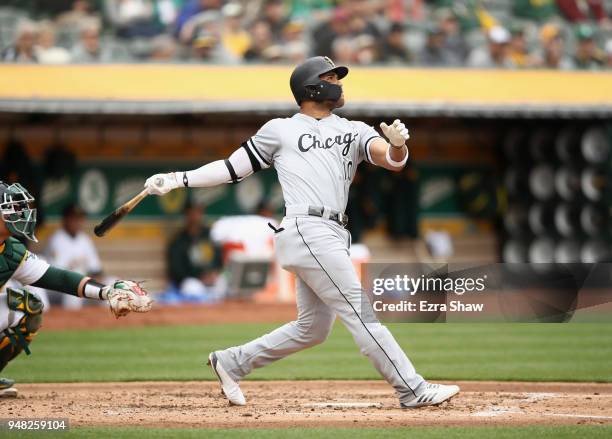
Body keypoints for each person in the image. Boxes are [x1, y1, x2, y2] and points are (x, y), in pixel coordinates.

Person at [144, 56, 460, 408]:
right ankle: (412, 389)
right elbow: (232, 168)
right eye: (331, 77)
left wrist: (399, 145)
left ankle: (231, 362)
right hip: (307, 227)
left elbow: (391, 159)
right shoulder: (280, 129)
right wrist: (177, 179)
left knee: (313, 329)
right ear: (312, 86)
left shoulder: (353, 129)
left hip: (333, 231)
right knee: (360, 312)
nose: (339, 82)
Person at [0, 181, 152, 398]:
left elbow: (59, 278)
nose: (19, 213)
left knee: (28, 308)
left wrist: (106, 291)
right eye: (10, 209)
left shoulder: (11, 252)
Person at [45, 204, 103, 309]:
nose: (77, 222)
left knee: (109, 286)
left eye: (80, 219)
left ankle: (108, 322)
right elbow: (60, 275)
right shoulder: (57, 239)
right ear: (65, 219)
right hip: (58, 289)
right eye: (74, 218)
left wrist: (98, 285)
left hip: (82, 285)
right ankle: (71, 323)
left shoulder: (85, 239)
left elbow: (96, 270)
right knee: (74, 288)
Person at [166, 203, 223, 300]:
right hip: (192, 281)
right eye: (191, 213)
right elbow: (176, 270)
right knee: (192, 288)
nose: (195, 216)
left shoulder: (209, 235)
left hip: (211, 278)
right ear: (186, 215)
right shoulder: (179, 240)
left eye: (198, 212)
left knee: (222, 283)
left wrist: (214, 273)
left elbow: (218, 259)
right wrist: (199, 277)